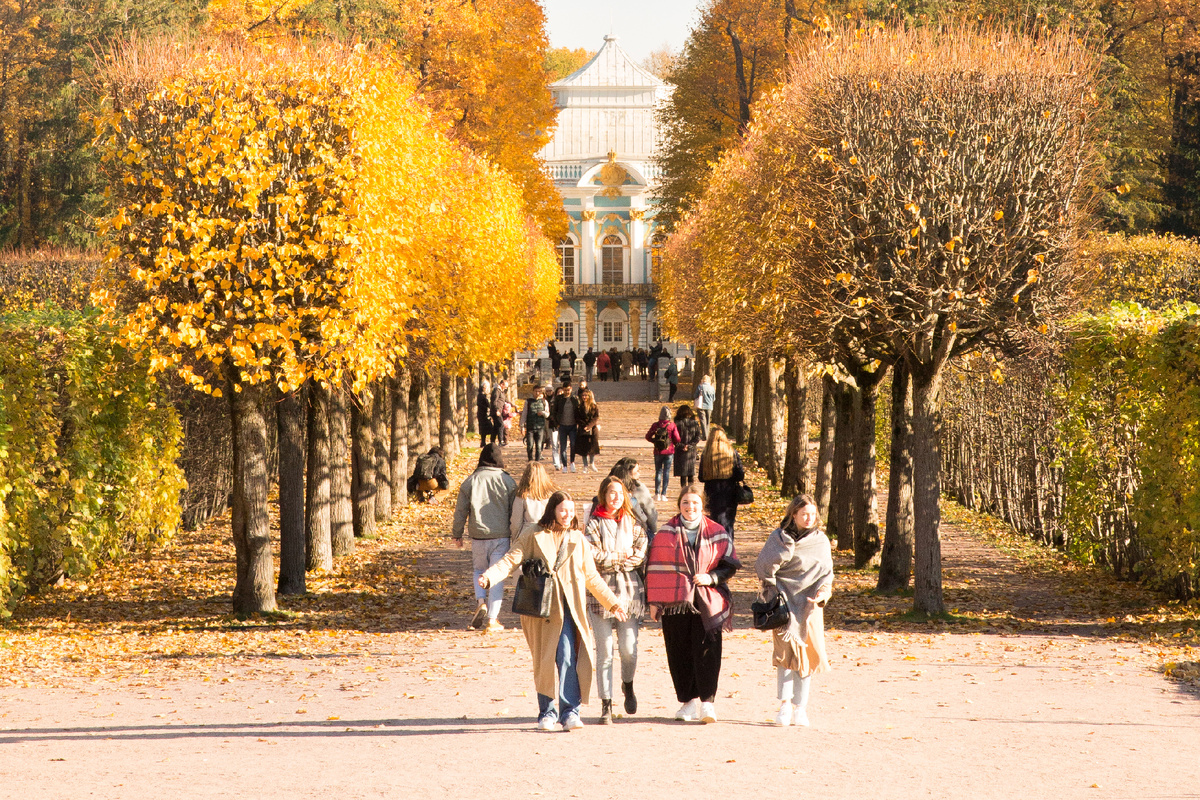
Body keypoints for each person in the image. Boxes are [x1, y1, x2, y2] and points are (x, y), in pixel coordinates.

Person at [480, 491, 627, 731]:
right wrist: (489, 576)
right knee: (544, 662)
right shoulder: (532, 534)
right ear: (552, 510)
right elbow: (510, 560)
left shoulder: (578, 539)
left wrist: (612, 602)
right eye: (562, 510)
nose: (567, 515)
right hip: (541, 610)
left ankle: (570, 713)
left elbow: (591, 576)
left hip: (569, 609)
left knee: (568, 657)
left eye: (571, 511)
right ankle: (546, 714)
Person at [646, 484, 740, 724]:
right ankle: (687, 703)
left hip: (708, 601)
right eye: (686, 502)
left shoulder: (717, 532)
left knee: (708, 650)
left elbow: (729, 565)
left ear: (702, 505)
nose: (690, 507)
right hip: (674, 602)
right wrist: (654, 601)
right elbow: (655, 568)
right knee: (679, 652)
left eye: (695, 503)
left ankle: (707, 704)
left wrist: (712, 577)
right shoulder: (665, 533)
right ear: (679, 504)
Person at [755, 494, 833, 727]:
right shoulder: (778, 538)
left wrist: (822, 595)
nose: (808, 518)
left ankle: (801, 708)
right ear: (794, 515)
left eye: (812, 514)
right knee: (785, 658)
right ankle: (784, 706)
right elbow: (763, 567)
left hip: (810, 606)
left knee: (807, 658)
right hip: (783, 605)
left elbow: (827, 574)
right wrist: (785, 552)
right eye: (803, 514)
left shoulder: (821, 541)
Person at [584, 475, 648, 724]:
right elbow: (593, 556)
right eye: (611, 492)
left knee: (629, 649)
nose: (615, 497)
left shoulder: (633, 523)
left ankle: (628, 684)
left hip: (630, 593)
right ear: (603, 494)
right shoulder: (593, 523)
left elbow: (640, 553)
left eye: (619, 493)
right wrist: (621, 557)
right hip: (599, 592)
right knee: (605, 651)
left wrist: (614, 558)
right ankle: (606, 704)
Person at [452, 444, 517, 633]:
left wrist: (457, 533)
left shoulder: (470, 481)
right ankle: (493, 619)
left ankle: (481, 601)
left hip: (478, 535)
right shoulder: (508, 481)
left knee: (479, 570)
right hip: (501, 535)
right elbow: (514, 512)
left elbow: (460, 510)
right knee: (496, 576)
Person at [699, 426, 745, 538]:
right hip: (730, 492)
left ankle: (716, 546)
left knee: (713, 522)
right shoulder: (732, 452)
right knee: (728, 522)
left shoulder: (706, 454)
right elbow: (740, 475)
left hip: (711, 493)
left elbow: (701, 477)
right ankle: (728, 546)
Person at [607, 458, 657, 542]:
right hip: (637, 532)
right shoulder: (639, 488)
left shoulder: (607, 486)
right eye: (637, 471)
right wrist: (653, 529)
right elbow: (650, 513)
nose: (639, 474)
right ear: (628, 473)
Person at [511, 461, 556, 539]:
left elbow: (516, 522)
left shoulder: (522, 496)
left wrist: (515, 538)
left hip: (527, 535)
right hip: (546, 534)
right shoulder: (551, 495)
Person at [645, 406, 681, 502]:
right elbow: (677, 439)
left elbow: (647, 436)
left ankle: (656, 494)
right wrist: (671, 442)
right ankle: (664, 494)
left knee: (658, 471)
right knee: (666, 472)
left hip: (657, 451)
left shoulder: (655, 425)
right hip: (669, 451)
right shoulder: (672, 425)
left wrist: (655, 442)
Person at [550, 382, 581, 473]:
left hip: (573, 425)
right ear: (563, 389)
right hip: (562, 426)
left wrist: (578, 422)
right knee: (563, 447)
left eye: (568, 390)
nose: (567, 392)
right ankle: (564, 465)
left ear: (571, 389)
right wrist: (557, 423)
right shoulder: (559, 399)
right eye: (565, 390)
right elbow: (554, 412)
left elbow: (579, 410)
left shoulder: (575, 399)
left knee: (573, 444)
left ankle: (572, 462)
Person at [673, 404, 703, 488]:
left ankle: (683, 490)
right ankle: (691, 489)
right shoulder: (694, 423)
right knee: (690, 472)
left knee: (683, 474)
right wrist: (690, 445)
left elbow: (673, 438)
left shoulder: (677, 424)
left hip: (680, 451)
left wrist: (681, 445)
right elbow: (698, 437)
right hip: (691, 451)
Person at [521, 387, 550, 462]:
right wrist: (522, 426)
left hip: (540, 427)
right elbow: (524, 414)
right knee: (530, 445)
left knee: (539, 446)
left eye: (539, 391)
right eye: (536, 391)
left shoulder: (544, 402)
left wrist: (542, 413)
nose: (537, 393)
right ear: (533, 392)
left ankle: (537, 462)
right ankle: (530, 460)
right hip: (530, 427)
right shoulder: (528, 402)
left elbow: (547, 414)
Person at [576, 388, 601, 473]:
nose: (584, 397)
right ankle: (585, 465)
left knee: (592, 447)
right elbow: (577, 417)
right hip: (582, 429)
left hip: (592, 429)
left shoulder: (594, 406)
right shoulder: (579, 406)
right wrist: (584, 426)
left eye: (586, 395)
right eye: (583, 395)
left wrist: (590, 426)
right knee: (584, 448)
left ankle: (592, 464)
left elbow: (596, 417)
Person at [695, 375, 715, 440]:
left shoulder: (700, 386)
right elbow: (714, 398)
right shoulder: (712, 388)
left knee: (702, 420)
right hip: (709, 406)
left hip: (701, 405)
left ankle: (704, 435)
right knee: (708, 421)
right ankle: (707, 434)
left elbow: (695, 395)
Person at [476, 379, 496, 445]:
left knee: (484, 429)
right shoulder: (481, 396)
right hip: (483, 415)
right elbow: (483, 404)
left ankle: (483, 442)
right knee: (490, 429)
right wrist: (488, 407)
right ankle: (490, 441)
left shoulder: (481, 395)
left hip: (482, 414)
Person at [490, 379, 508, 446]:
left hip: (499, 410)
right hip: (496, 411)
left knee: (496, 426)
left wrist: (513, 405)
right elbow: (494, 401)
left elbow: (505, 399)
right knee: (501, 425)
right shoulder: (496, 391)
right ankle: (501, 441)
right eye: (505, 386)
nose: (506, 388)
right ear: (502, 384)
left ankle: (492, 441)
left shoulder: (502, 392)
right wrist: (497, 410)